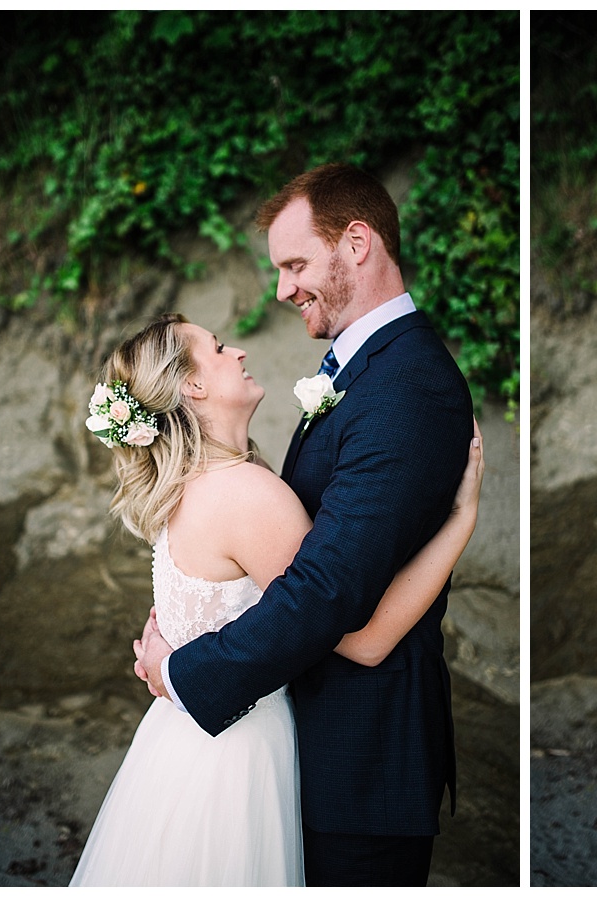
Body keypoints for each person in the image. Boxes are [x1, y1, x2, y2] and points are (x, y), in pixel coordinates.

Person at [134, 163, 475, 885]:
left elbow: (326, 591)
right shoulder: (360, 369)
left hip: (364, 762)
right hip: (308, 749)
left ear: (358, 243)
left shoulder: (407, 385)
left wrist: (181, 669)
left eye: (295, 264)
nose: (283, 288)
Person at [70, 314, 483, 886]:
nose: (236, 351)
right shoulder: (248, 493)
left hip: (178, 747)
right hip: (239, 758)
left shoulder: (187, 487)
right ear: (192, 386)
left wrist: (170, 663)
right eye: (216, 348)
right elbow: (362, 640)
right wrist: (461, 520)